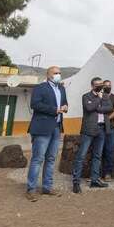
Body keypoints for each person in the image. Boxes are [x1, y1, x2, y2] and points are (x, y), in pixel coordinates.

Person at [25, 66, 68, 201]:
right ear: (48, 75)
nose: (58, 75)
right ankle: (31, 189)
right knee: (38, 159)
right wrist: (54, 110)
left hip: (57, 127)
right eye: (56, 73)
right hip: (42, 128)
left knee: (51, 159)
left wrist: (65, 107)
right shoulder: (40, 88)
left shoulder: (61, 88)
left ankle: (47, 187)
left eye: (60, 73)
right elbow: (35, 104)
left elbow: (64, 103)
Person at [72, 77, 114, 193]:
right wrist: (98, 100)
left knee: (97, 156)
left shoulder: (105, 95)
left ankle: (95, 180)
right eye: (97, 85)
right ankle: (76, 182)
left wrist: (98, 106)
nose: (100, 86)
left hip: (101, 129)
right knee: (81, 156)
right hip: (89, 129)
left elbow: (109, 107)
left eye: (101, 84)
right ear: (92, 86)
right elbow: (89, 107)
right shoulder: (86, 96)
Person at [101, 79, 114, 179]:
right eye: (105, 86)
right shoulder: (100, 97)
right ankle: (97, 173)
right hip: (99, 127)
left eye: (109, 85)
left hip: (111, 127)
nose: (107, 87)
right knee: (99, 150)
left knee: (109, 150)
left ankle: (108, 173)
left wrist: (106, 119)